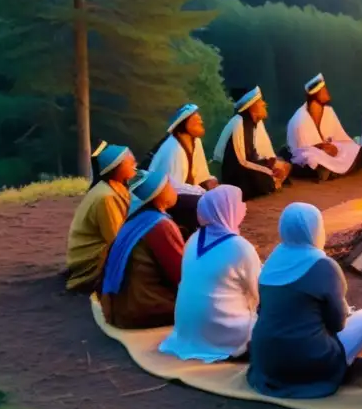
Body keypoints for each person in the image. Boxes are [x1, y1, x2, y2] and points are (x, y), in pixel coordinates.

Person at [248, 203, 362, 399]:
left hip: (266, 362)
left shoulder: (271, 262)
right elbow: (337, 323)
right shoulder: (323, 266)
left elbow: (262, 310)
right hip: (309, 363)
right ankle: (345, 367)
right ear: (315, 229)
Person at [159, 185, 261, 363]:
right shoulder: (240, 247)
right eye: (239, 203)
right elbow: (259, 292)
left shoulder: (194, 239)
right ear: (226, 210)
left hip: (186, 331)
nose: (243, 207)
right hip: (225, 331)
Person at [98, 170, 185, 329]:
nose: (173, 189)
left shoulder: (136, 221)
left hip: (121, 308)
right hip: (144, 309)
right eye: (168, 185)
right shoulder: (159, 225)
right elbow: (181, 275)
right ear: (158, 194)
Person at [65, 143, 137, 292]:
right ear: (117, 168)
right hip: (92, 258)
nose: (135, 164)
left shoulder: (113, 187)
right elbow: (116, 239)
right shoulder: (106, 197)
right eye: (130, 162)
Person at [146, 103, 219, 238]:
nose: (201, 122)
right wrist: (202, 192)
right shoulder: (173, 149)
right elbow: (173, 188)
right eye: (196, 121)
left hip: (183, 193)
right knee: (203, 203)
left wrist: (209, 182)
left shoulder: (195, 142)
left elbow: (200, 174)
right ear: (184, 124)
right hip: (166, 200)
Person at [214, 87, 291, 200]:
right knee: (265, 179)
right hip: (235, 174)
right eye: (260, 102)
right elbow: (242, 161)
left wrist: (268, 164)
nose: (264, 104)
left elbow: (252, 155)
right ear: (252, 107)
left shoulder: (250, 123)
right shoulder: (239, 123)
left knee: (282, 167)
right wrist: (268, 170)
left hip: (245, 167)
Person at [287, 74, 362, 181]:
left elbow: (340, 137)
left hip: (327, 150)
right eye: (323, 90)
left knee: (354, 149)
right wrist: (323, 147)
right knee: (311, 158)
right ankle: (329, 171)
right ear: (314, 94)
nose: (327, 92)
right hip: (309, 154)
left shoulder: (329, 111)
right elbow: (303, 149)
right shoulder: (300, 119)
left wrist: (333, 147)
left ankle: (329, 171)